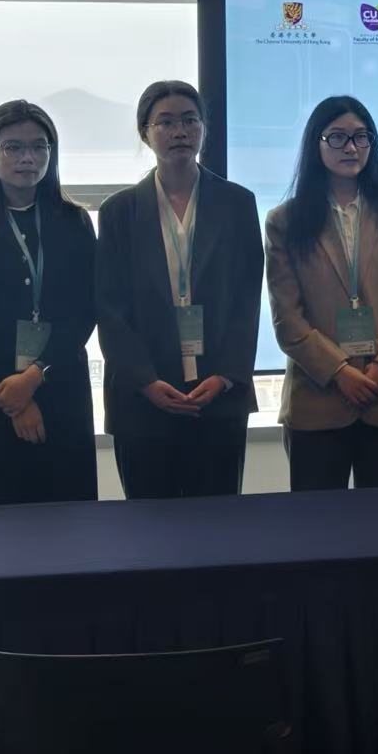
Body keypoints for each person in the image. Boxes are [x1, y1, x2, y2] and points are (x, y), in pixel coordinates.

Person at [96, 81, 263, 498]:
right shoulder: (119, 211)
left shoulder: (237, 203)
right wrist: (146, 381)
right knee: (150, 525)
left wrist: (226, 375)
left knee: (218, 522)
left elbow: (247, 299)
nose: (180, 132)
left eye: (190, 120)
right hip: (143, 400)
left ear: (204, 128)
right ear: (145, 132)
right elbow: (109, 308)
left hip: (219, 396)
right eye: (166, 122)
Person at [0, 100, 99, 507]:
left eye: (39, 146)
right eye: (13, 146)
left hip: (59, 385)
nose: (28, 157)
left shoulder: (74, 220)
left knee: (67, 519)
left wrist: (33, 377)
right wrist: (15, 399)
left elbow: (84, 312)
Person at [265, 95, 378, 491]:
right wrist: (340, 373)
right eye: (337, 137)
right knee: (319, 525)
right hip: (317, 402)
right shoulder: (285, 221)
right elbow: (288, 320)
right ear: (315, 144)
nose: (351, 148)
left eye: (361, 137)